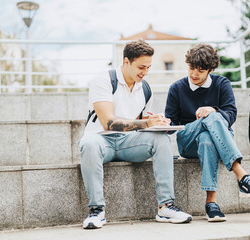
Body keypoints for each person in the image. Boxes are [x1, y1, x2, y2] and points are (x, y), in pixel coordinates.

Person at [78, 40, 192, 229]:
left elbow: (139, 124)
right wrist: (146, 122)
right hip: (101, 141)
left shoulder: (145, 88)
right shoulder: (103, 80)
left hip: (128, 143)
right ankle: (96, 211)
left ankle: (166, 207)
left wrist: (157, 123)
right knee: (88, 143)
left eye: (148, 67)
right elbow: (109, 123)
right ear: (126, 62)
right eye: (141, 67)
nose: (145, 72)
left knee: (161, 139)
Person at [165, 43, 250, 222]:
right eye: (191, 68)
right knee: (210, 118)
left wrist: (212, 110)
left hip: (215, 139)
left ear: (210, 69)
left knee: (207, 136)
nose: (194, 74)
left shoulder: (222, 84)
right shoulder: (177, 88)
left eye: (200, 70)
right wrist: (163, 122)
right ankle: (241, 175)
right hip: (188, 141)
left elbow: (231, 114)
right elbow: (172, 123)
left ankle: (211, 203)